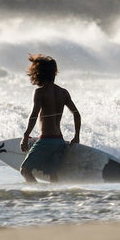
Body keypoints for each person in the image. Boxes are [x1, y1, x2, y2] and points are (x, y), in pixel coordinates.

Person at [20, 54, 81, 183]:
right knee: (52, 175)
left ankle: (37, 196)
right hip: (59, 142)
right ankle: (55, 199)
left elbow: (34, 115)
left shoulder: (40, 92)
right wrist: (76, 136)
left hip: (46, 141)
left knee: (25, 170)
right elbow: (76, 114)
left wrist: (26, 135)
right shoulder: (63, 92)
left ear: (38, 73)